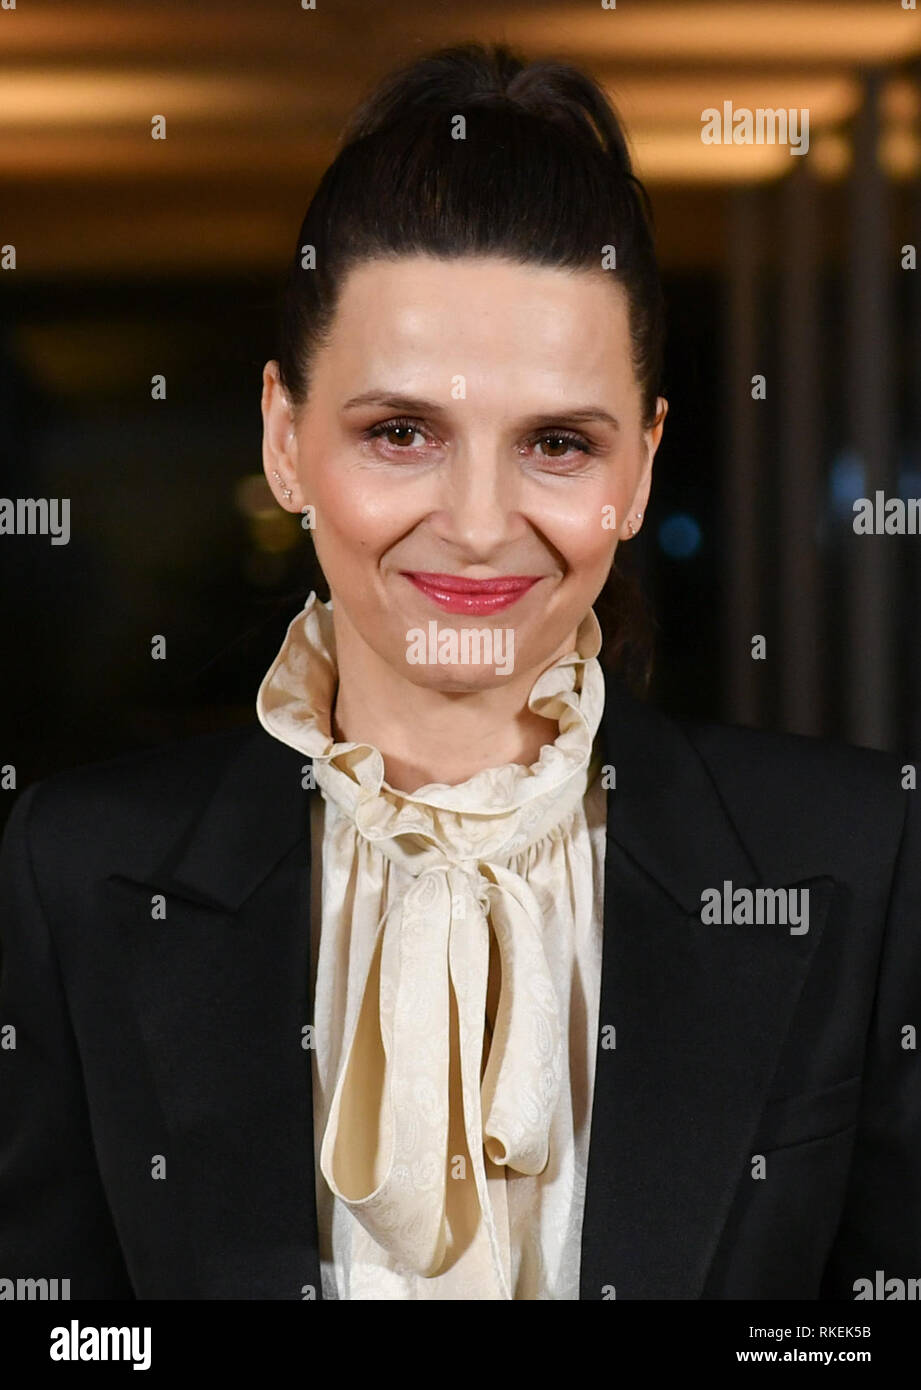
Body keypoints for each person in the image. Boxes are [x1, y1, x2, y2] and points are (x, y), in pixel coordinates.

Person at [0, 40, 919, 1302]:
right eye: (400, 432)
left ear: (641, 466)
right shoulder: (77, 874)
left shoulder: (862, 859)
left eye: (556, 441)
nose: (480, 523)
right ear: (284, 439)